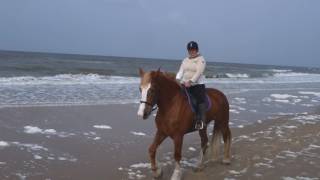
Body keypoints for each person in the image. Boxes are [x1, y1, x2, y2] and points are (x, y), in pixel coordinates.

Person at [176, 41, 207, 130]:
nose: (191, 51)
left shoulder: (201, 60)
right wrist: (177, 79)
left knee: (199, 100)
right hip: (184, 84)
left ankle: (200, 121)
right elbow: (181, 71)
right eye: (190, 50)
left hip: (197, 85)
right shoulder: (185, 60)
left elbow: (199, 72)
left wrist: (191, 81)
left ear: (196, 50)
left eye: (193, 49)